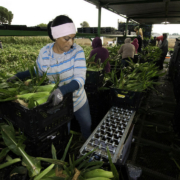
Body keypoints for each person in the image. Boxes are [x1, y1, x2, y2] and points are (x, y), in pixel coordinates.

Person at [7, 15, 92, 140]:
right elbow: (38, 71)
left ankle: (87, 144)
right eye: (66, 38)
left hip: (78, 99)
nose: (71, 43)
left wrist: (62, 91)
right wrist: (18, 76)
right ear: (55, 36)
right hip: (58, 103)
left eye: (73, 38)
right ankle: (67, 154)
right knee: (64, 130)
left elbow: (80, 79)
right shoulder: (45, 52)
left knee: (87, 124)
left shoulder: (77, 51)